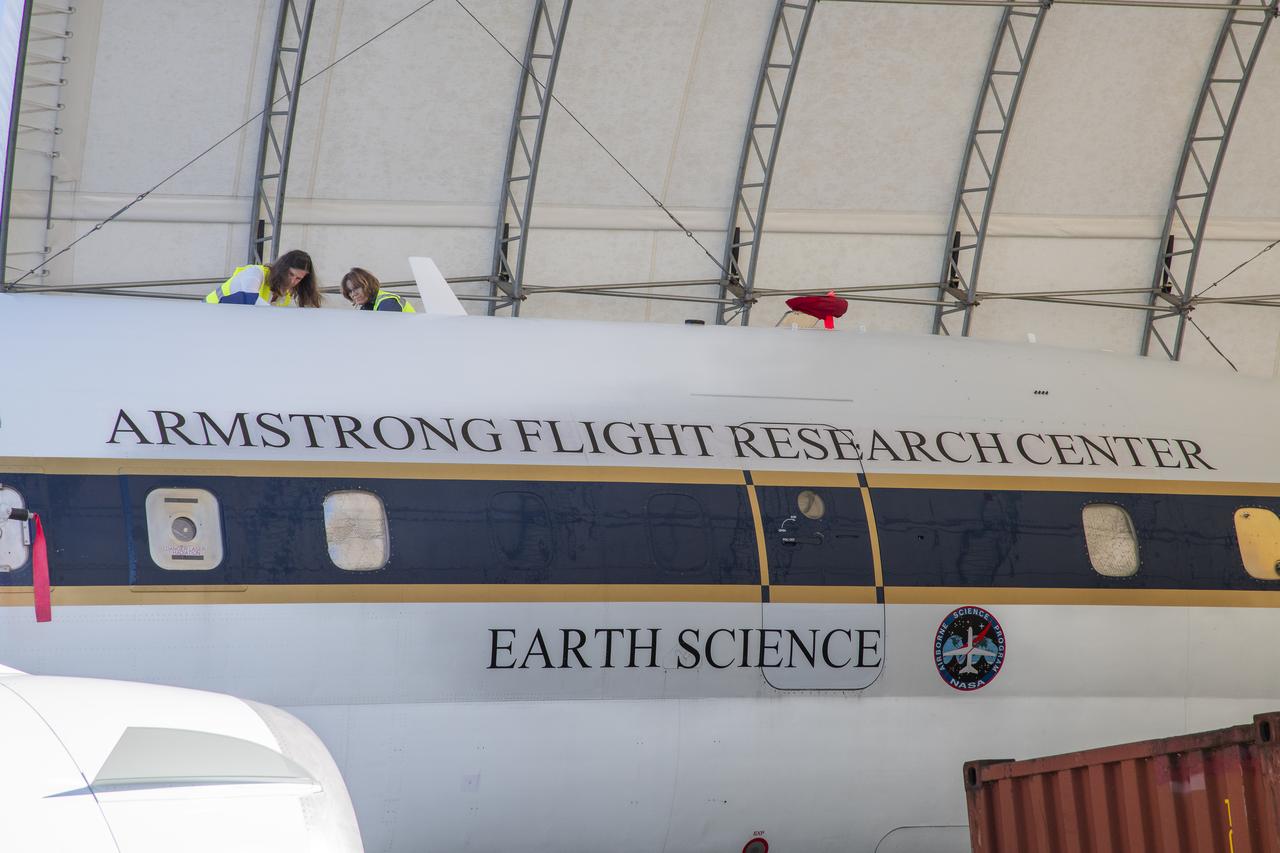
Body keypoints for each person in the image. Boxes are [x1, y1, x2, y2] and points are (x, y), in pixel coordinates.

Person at [206, 249, 322, 307]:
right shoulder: (255, 273)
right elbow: (250, 298)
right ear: (282, 268)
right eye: (291, 274)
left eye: (298, 279)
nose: (292, 281)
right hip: (208, 312)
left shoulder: (286, 296)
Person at [340, 267, 416, 312]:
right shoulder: (367, 306)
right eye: (349, 291)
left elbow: (384, 334)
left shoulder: (387, 303)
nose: (353, 294)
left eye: (356, 288)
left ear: (368, 284)